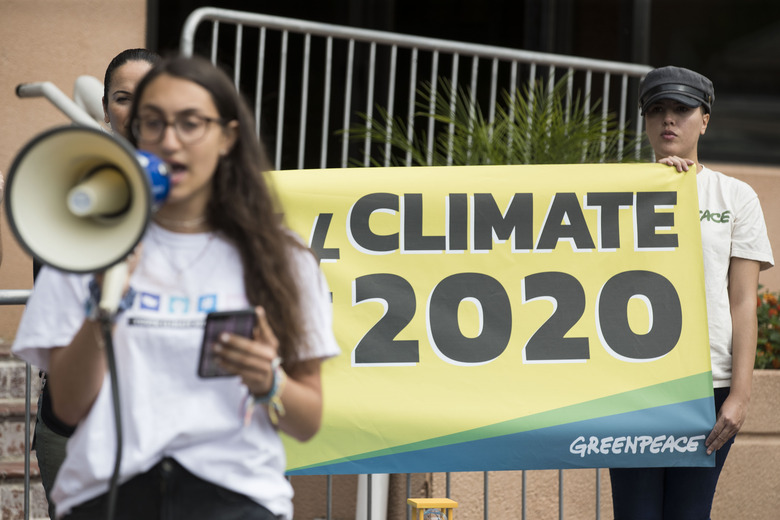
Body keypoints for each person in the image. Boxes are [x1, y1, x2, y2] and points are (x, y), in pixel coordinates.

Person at [16, 53, 339, 520]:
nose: (171, 140)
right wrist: (104, 302)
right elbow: (65, 408)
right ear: (135, 132)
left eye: (191, 123)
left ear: (228, 136)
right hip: (106, 496)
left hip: (235, 497)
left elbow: (307, 421)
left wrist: (269, 382)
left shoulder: (280, 257)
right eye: (154, 123)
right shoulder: (88, 244)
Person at [609, 66, 774, 519]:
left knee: (689, 513)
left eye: (681, 109)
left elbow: (743, 302)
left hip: (710, 388)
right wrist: (651, 191)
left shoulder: (735, 196)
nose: (668, 120)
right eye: (657, 110)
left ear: (705, 120)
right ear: (644, 121)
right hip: (633, 385)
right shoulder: (615, 191)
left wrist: (741, 395)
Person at [31, 48, 161, 519]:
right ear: (106, 109)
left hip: (161, 424)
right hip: (76, 424)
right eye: (124, 98)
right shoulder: (68, 192)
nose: (139, 110)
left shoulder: (200, 199)